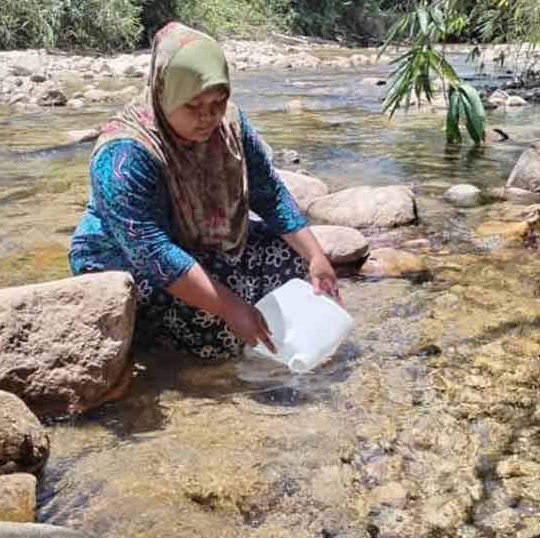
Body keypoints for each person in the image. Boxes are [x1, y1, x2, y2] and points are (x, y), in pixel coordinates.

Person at [69, 22, 339, 360]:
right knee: (217, 321)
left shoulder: (231, 127)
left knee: (292, 259)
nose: (208, 117)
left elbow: (268, 192)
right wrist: (230, 308)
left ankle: (249, 329)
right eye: (194, 106)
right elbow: (153, 252)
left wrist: (316, 257)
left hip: (193, 243)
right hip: (122, 259)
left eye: (218, 102)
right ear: (165, 92)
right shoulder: (123, 154)